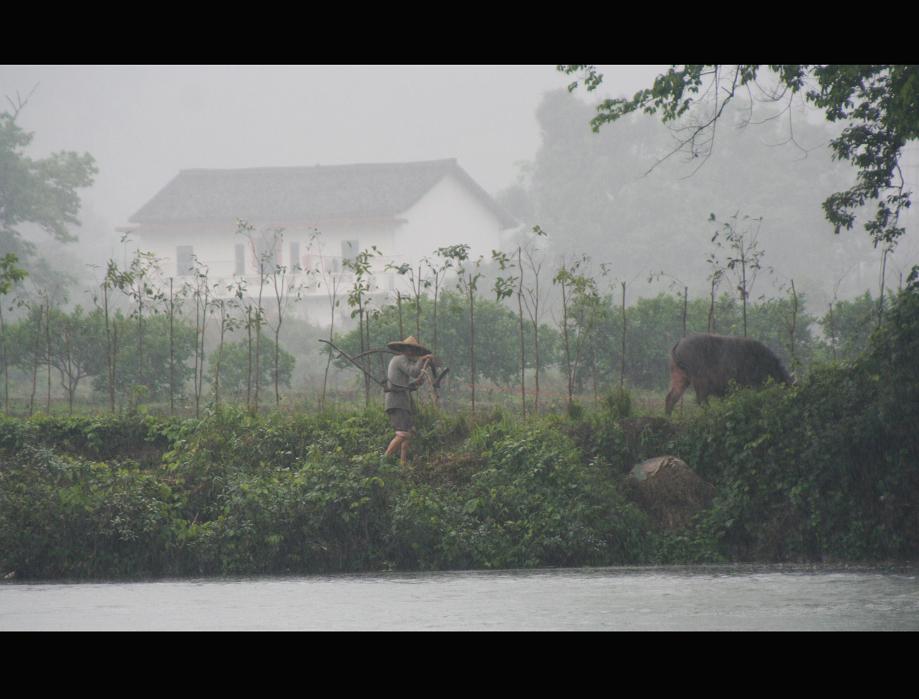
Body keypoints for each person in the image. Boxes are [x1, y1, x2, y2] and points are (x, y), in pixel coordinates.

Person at [383, 336, 433, 464]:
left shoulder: (403, 361)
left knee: (409, 432)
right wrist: (422, 360)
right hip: (397, 401)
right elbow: (414, 372)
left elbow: (414, 382)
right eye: (409, 349)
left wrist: (423, 367)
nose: (411, 352)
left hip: (403, 401)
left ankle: (403, 463)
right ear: (404, 349)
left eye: (413, 350)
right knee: (403, 434)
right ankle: (383, 461)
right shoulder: (400, 359)